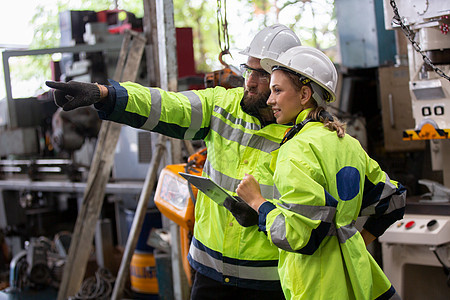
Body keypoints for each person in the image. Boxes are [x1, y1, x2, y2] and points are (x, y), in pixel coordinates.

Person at [46, 24, 302, 299]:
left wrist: (265, 213)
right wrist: (105, 94)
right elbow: (166, 105)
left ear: (289, 79)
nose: (249, 81)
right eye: (248, 69)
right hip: (209, 272)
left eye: (262, 74)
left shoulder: (307, 135)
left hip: (272, 280)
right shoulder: (222, 105)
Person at [236, 46, 406, 300]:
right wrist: (355, 240)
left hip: (318, 288)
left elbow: (300, 236)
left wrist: (257, 203)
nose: (270, 100)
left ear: (305, 94)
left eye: (277, 90)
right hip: (360, 283)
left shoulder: (295, 150)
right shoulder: (346, 142)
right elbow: (394, 201)